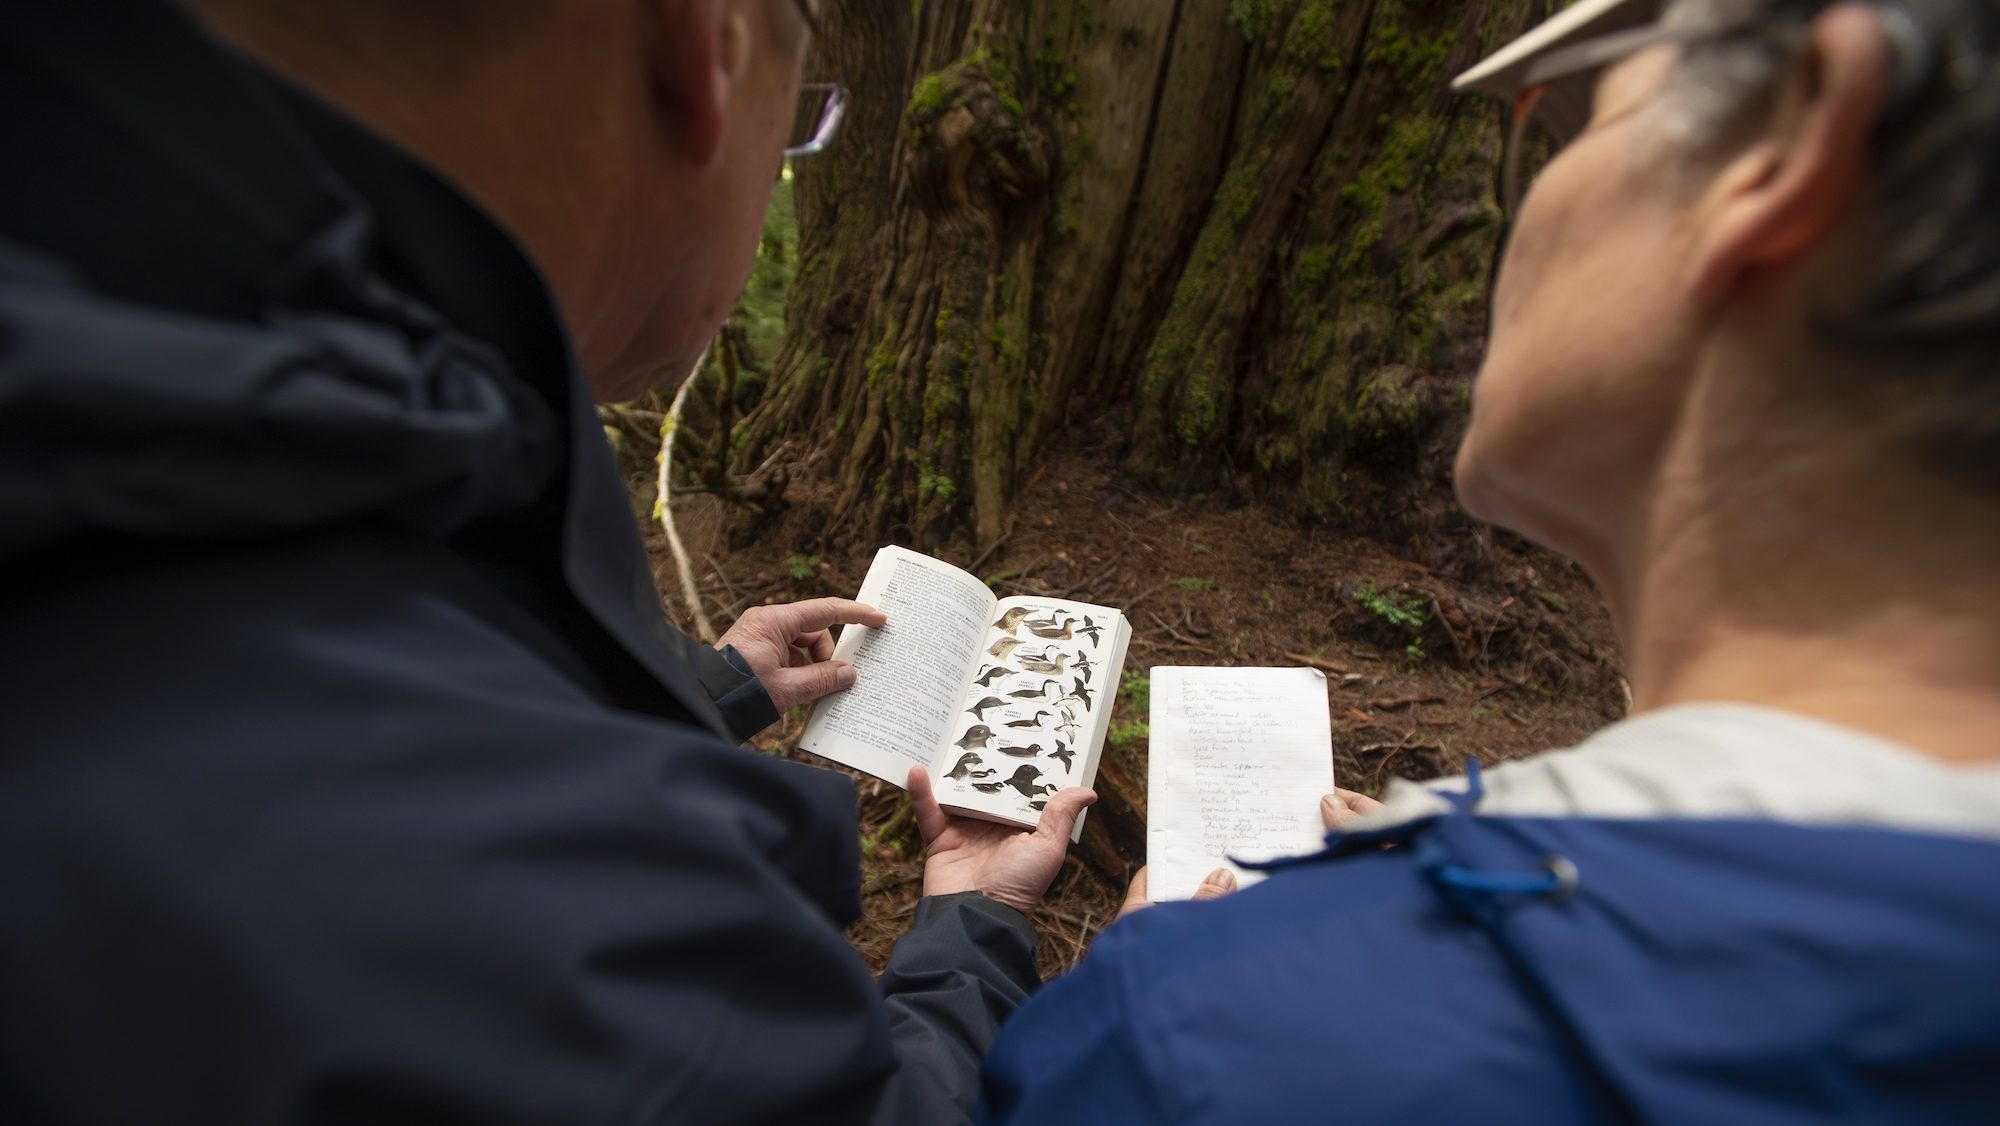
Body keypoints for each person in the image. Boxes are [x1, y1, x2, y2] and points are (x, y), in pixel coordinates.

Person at [0, 0, 1094, 1122]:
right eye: (802, 123)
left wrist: (698, 686)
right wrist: (978, 921)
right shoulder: (575, 897)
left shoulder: (115, 381)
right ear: (703, 48)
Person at [981, 0, 2000, 1120]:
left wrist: (1252, 974)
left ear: (1791, 148)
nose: (1493, 232)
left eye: (1561, 127)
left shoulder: (1220, 1040)